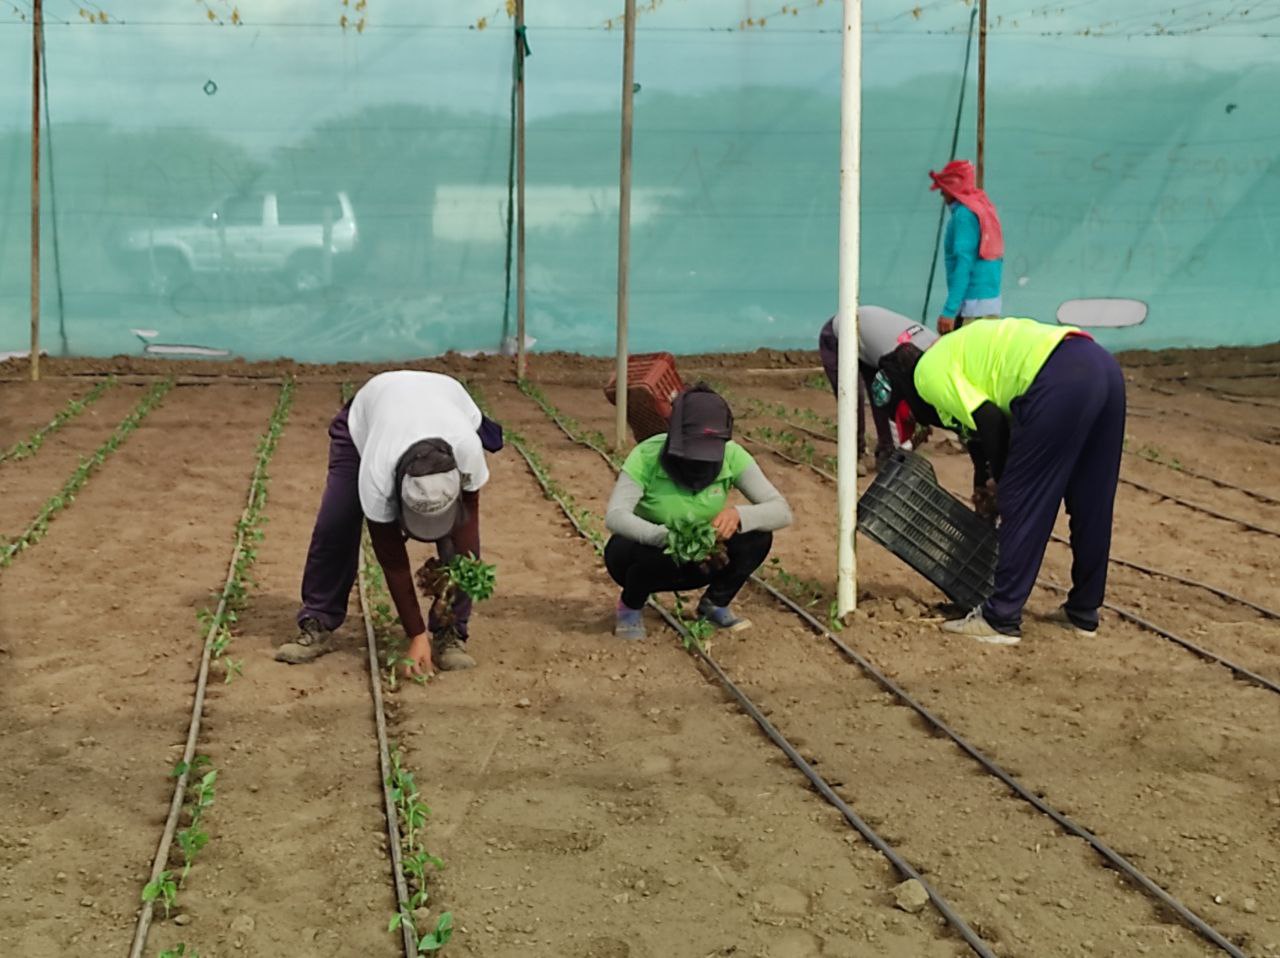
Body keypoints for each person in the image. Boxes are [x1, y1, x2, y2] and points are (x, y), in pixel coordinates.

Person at [876, 318, 1125, 646]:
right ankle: (1083, 612)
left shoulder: (926, 377)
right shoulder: (955, 355)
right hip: (1100, 366)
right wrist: (986, 479)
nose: (925, 425)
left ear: (906, 397)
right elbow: (980, 432)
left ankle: (1000, 618)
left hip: (1057, 378)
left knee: (1024, 500)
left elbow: (990, 422)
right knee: (1091, 502)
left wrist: (1004, 482)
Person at [277, 371, 504, 673]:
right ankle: (318, 619)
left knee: (461, 546)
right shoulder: (378, 471)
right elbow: (393, 559)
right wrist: (416, 635)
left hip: (446, 402)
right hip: (368, 421)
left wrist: (452, 587)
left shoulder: (467, 451)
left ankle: (451, 632)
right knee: (336, 523)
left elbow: (466, 529)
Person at [603, 385, 792, 640]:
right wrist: (664, 536)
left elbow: (781, 511)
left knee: (757, 536)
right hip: (645, 560)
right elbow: (615, 515)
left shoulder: (732, 456)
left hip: (702, 559)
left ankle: (715, 604)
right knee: (644, 549)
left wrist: (738, 515)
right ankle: (631, 606)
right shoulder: (647, 456)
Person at [818, 305, 938, 470]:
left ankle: (886, 451)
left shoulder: (933, 348)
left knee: (882, 395)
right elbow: (895, 404)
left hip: (874, 342)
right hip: (839, 334)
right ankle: (854, 455)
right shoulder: (904, 362)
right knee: (852, 398)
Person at [929, 159, 1003, 334]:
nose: (942, 195)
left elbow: (964, 263)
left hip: (972, 307)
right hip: (989, 304)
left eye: (943, 190)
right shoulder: (982, 207)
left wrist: (949, 310)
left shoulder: (964, 215)